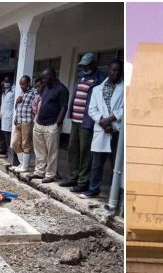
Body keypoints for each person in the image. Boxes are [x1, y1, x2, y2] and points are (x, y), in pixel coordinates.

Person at [60, 53, 106, 193]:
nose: (84, 68)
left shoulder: (100, 79)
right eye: (82, 66)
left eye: (86, 65)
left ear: (94, 64)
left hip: (87, 121)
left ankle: (83, 181)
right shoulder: (81, 77)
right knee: (72, 149)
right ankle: (72, 177)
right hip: (76, 120)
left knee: (85, 152)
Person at [80, 59, 124, 199]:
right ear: (108, 70)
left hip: (117, 130)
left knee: (115, 165)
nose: (115, 73)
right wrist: (103, 123)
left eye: (117, 70)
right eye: (112, 70)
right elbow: (91, 109)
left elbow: (124, 108)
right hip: (101, 129)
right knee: (96, 164)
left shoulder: (124, 89)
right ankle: (93, 190)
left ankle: (113, 193)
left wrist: (110, 120)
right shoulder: (97, 89)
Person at [29, 68, 68, 183]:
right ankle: (39, 172)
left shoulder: (61, 89)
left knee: (52, 152)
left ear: (52, 76)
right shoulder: (46, 87)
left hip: (51, 125)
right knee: (39, 150)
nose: (43, 80)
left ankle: (50, 175)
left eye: (45, 78)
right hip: (39, 123)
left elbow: (63, 108)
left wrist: (57, 124)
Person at [11, 75, 39, 173]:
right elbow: (19, 107)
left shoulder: (34, 92)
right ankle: (22, 163)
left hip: (27, 121)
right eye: (20, 84)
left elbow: (37, 106)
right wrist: (16, 105)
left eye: (23, 84)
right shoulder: (22, 92)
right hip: (19, 121)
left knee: (25, 144)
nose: (21, 86)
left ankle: (25, 166)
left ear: (28, 83)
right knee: (15, 143)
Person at [0, 76, 15, 162]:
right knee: (1, 134)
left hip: (9, 117)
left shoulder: (13, 91)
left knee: (7, 135)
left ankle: (8, 151)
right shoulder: (3, 92)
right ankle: (3, 149)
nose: (5, 83)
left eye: (7, 81)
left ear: (10, 82)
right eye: (4, 81)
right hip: (2, 116)